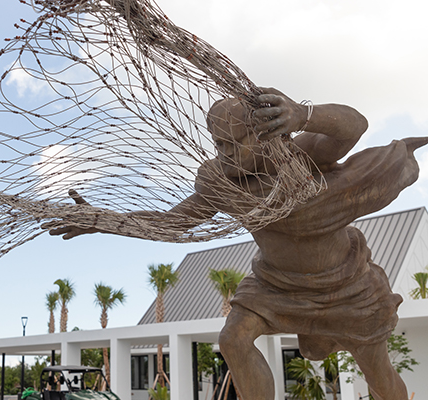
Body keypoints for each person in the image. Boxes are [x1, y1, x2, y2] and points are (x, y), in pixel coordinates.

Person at [46, 87, 426, 399]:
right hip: (275, 286)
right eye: (217, 144)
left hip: (346, 284)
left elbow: (353, 126)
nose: (222, 154)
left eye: (232, 145)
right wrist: (104, 220)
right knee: (234, 337)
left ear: (263, 137)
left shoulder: (301, 157)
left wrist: (301, 114)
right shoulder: (222, 183)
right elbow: (173, 223)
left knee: (376, 369)